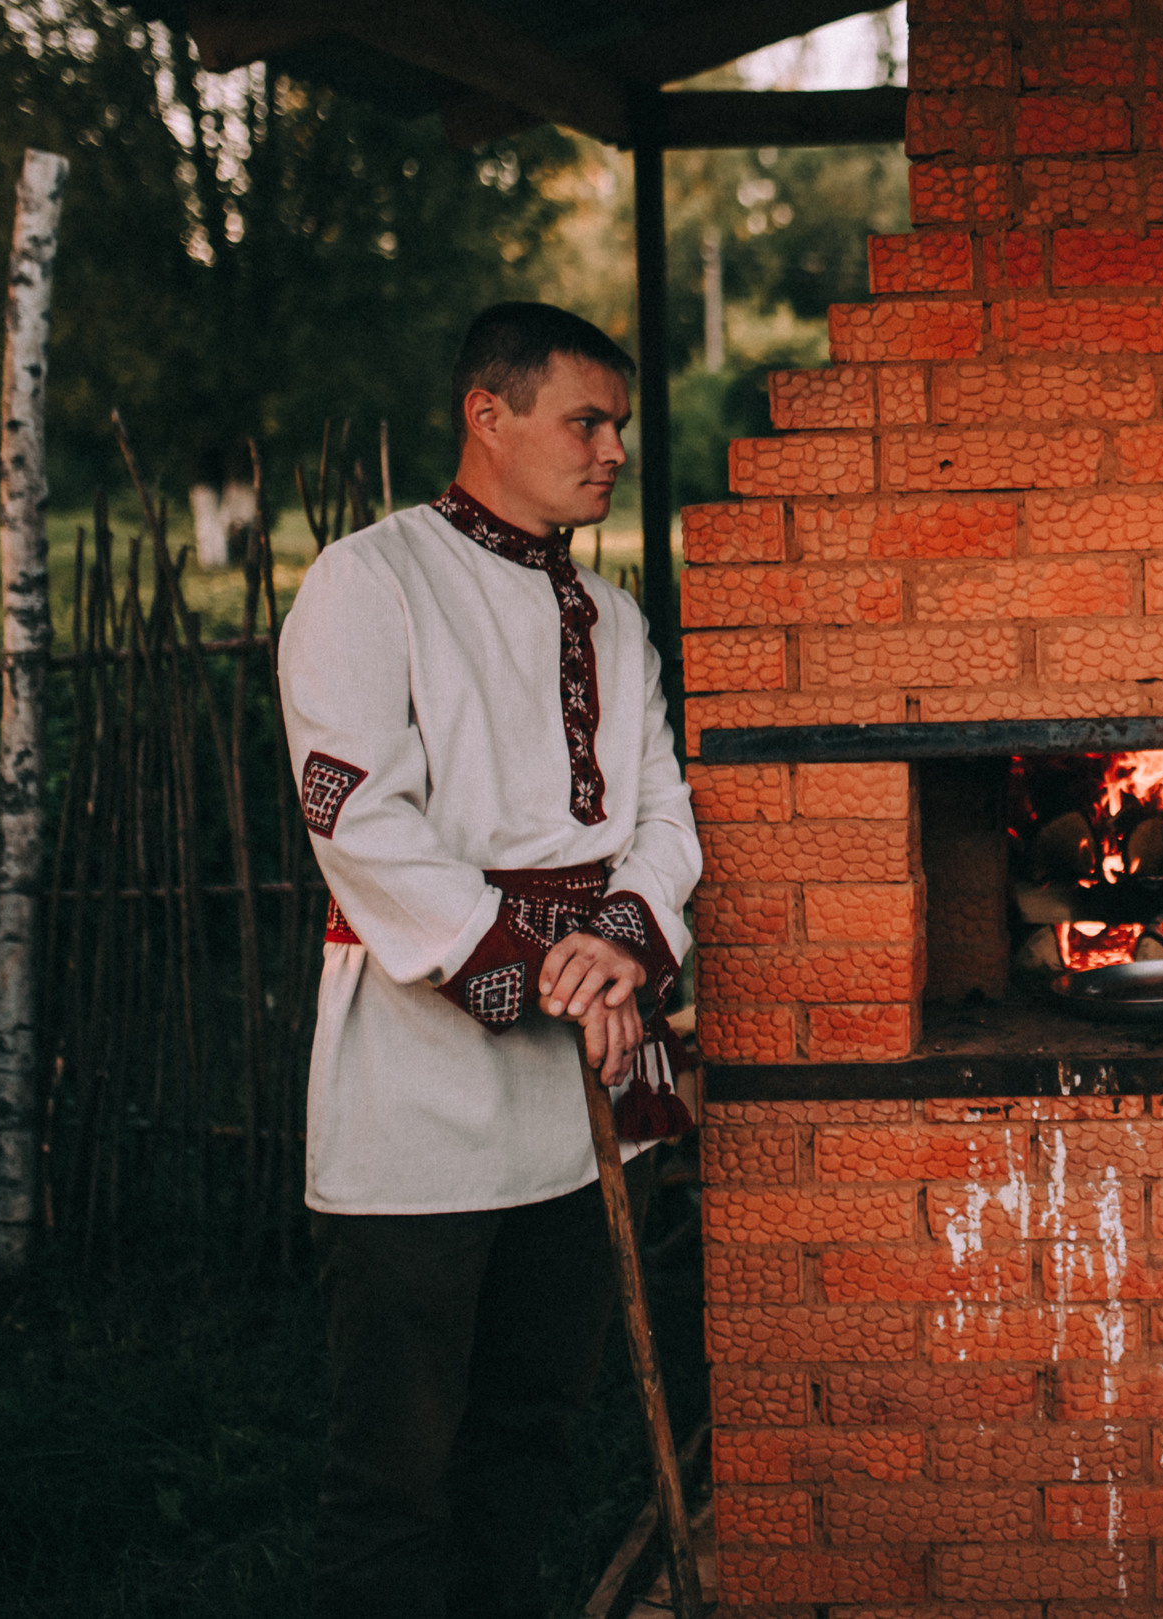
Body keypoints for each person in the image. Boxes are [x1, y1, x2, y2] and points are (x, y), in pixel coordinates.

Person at [280, 302, 700, 1619]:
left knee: (530, 1432)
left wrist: (619, 946)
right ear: (489, 413)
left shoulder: (613, 616)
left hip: (582, 1101)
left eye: (620, 425)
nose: (612, 449)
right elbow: (355, 808)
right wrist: (539, 965)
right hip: (419, 1092)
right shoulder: (372, 578)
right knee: (393, 1468)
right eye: (588, 419)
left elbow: (661, 812)